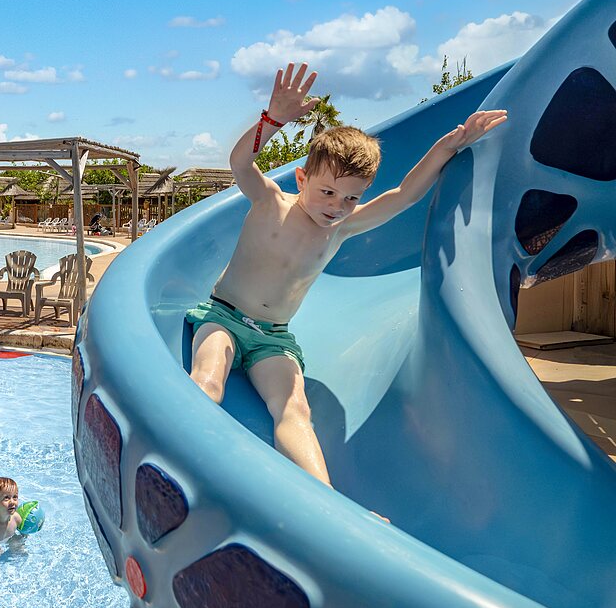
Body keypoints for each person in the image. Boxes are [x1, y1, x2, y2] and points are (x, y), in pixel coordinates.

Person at [186, 62, 507, 496]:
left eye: (351, 197)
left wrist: (449, 145)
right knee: (209, 379)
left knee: (295, 409)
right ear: (302, 178)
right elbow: (240, 163)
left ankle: (323, 500)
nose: (337, 206)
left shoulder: (341, 228)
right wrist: (272, 119)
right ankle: (185, 463)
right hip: (224, 317)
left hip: (272, 339)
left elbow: (405, 194)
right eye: (327, 192)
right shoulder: (270, 202)